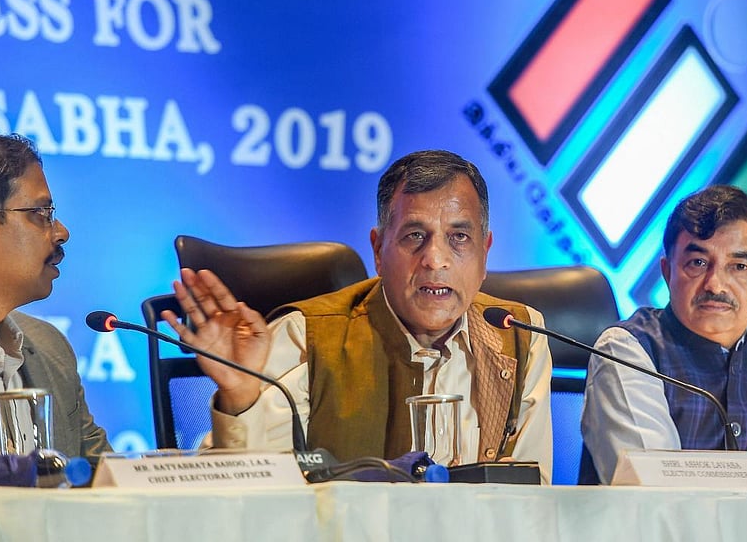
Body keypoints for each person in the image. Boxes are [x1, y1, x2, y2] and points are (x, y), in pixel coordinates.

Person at [165, 150, 554, 481]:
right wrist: (242, 395)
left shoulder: (518, 336)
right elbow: (238, 494)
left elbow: (533, 497)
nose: (435, 259)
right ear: (379, 250)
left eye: (459, 237)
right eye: (414, 236)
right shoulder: (307, 337)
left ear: (485, 252)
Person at [580, 184, 747, 485]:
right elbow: (654, 494)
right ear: (668, 272)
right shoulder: (626, 349)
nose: (715, 285)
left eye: (738, 266)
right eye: (698, 263)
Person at [0, 133, 110, 475]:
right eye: (42, 213)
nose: (61, 232)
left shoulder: (48, 346)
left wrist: (236, 404)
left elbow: (107, 479)